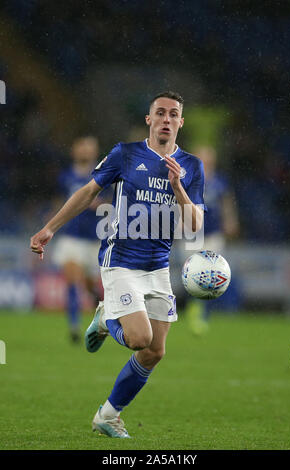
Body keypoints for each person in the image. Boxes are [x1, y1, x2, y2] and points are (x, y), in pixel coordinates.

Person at [30, 91, 206, 438]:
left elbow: (195, 224)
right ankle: (108, 316)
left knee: (156, 351)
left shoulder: (192, 166)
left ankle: (107, 415)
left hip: (157, 268)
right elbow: (87, 192)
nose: (167, 119)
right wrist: (50, 227)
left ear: (180, 122)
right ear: (149, 119)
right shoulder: (125, 154)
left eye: (173, 114)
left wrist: (179, 188)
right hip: (121, 262)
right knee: (140, 338)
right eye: (160, 113)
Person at [50, 136, 105, 343]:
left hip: (95, 239)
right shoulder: (65, 177)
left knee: (90, 284)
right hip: (71, 237)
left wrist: (99, 204)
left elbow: (113, 202)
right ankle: (74, 326)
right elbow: (59, 202)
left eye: (90, 148)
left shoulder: (102, 175)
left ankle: (96, 305)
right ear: (75, 150)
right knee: (72, 278)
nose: (85, 151)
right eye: (82, 147)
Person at [185, 146, 240, 335]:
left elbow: (226, 203)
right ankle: (196, 308)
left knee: (212, 273)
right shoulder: (188, 178)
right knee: (195, 274)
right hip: (193, 234)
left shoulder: (219, 181)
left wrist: (231, 220)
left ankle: (200, 311)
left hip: (214, 234)